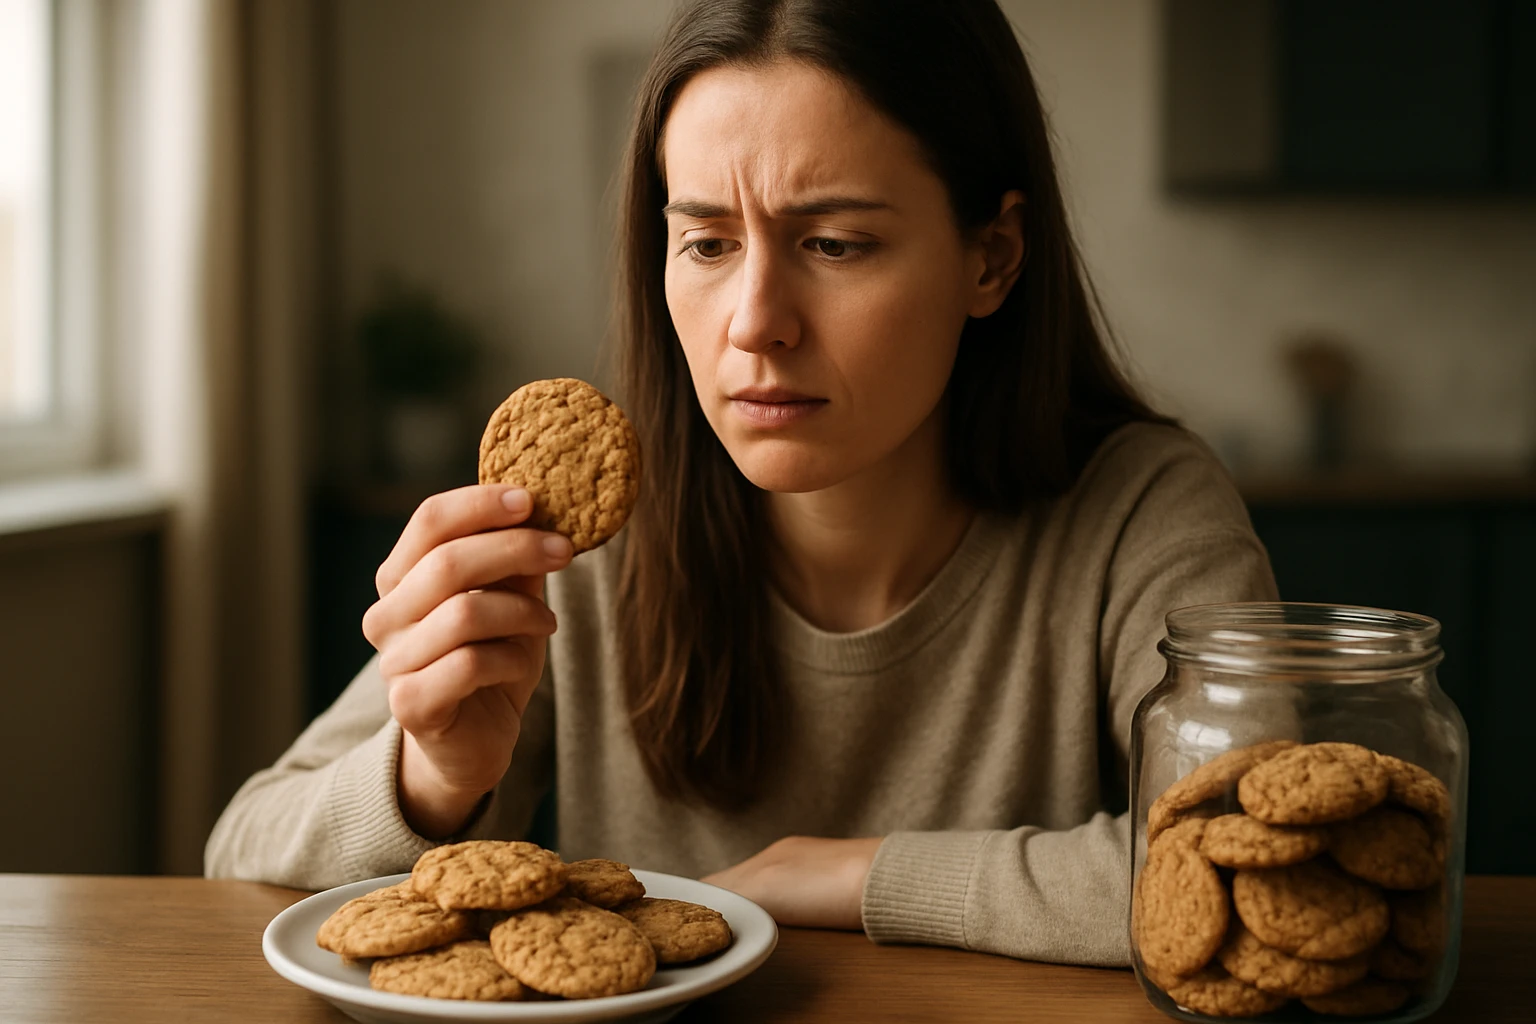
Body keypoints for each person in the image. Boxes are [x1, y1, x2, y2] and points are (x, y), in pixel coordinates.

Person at [206, 0, 1275, 967]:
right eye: (708, 242)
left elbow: (1262, 852)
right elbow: (243, 847)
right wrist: (433, 779)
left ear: (991, 257)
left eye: (836, 242)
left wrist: (853, 874)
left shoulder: (1142, 510)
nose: (756, 320)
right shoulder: (572, 544)